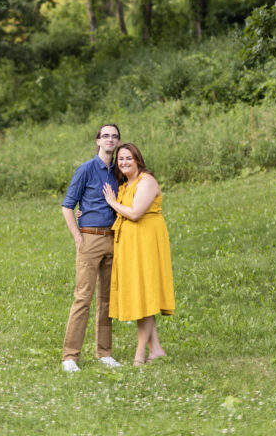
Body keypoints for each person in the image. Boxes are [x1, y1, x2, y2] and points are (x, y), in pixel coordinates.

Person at [102, 142, 175, 365]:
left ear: (137, 160)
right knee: (141, 293)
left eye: (128, 158)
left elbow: (135, 214)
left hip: (146, 242)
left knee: (145, 295)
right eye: (121, 159)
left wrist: (112, 203)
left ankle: (140, 354)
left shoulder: (147, 181)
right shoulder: (125, 185)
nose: (124, 162)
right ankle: (156, 349)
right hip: (130, 244)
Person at [60, 123, 122, 372]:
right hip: (89, 238)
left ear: (117, 142)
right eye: (105, 136)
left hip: (113, 238)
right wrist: (78, 238)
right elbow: (67, 206)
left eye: (114, 137)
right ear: (98, 141)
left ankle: (104, 352)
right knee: (83, 298)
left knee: (107, 299)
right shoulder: (85, 169)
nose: (109, 140)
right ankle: (70, 356)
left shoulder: (118, 172)